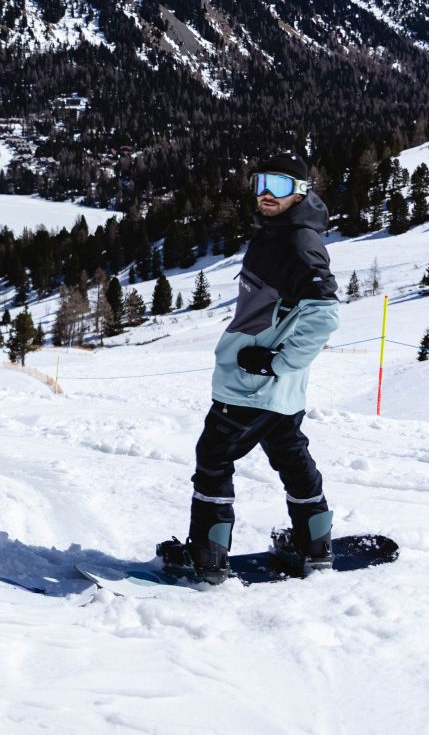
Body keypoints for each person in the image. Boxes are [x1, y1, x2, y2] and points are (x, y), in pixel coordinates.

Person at [160, 153, 341, 583]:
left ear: (300, 192)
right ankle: (313, 547)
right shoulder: (281, 235)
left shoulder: (297, 242)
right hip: (278, 389)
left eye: (279, 186)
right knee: (291, 457)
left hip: (252, 383)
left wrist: (278, 362)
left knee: (214, 458)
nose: (266, 194)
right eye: (261, 183)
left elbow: (324, 315)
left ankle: (207, 558)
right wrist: (282, 369)